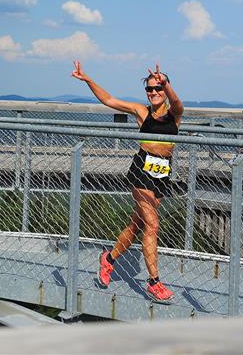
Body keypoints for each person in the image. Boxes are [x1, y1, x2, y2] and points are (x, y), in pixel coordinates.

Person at [71, 60, 183, 303]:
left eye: (158, 88)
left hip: (163, 174)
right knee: (152, 225)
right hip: (142, 171)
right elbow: (109, 100)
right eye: (149, 89)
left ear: (165, 89)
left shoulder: (175, 114)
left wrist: (166, 83)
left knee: (136, 225)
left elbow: (176, 102)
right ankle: (154, 282)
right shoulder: (141, 112)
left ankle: (108, 258)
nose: (153, 92)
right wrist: (88, 79)